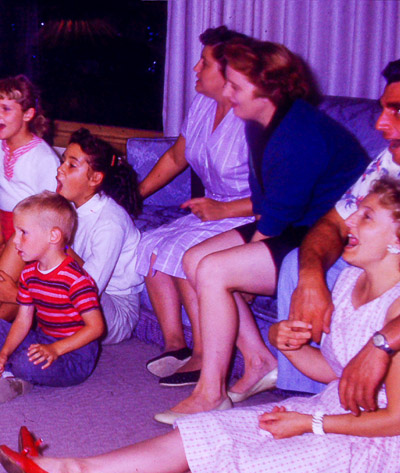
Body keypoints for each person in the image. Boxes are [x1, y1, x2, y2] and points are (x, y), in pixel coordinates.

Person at [0, 180, 400, 473]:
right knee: (207, 433)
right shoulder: (348, 281)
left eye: (366, 217)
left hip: (370, 448)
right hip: (328, 412)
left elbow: (394, 420)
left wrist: (309, 424)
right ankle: (73, 471)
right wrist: (286, 343)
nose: (348, 221)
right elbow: (335, 372)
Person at [154, 38, 369, 423]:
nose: (228, 93)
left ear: (268, 90)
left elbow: (278, 220)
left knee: (214, 269)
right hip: (293, 223)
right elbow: (264, 199)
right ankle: (258, 360)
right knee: (193, 258)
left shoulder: (300, 136)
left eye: (236, 86)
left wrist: (243, 271)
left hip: (326, 236)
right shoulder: (257, 123)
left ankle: (210, 394)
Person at [0, 128, 142, 354]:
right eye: (63, 161)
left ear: (95, 179)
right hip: (69, 286)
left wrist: (17, 293)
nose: (60, 169)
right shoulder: (68, 206)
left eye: (72, 165)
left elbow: (87, 291)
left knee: (36, 246)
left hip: (109, 312)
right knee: (26, 236)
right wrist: (4, 282)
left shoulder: (110, 222)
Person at [135, 27, 253, 384]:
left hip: (246, 212)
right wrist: (135, 195)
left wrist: (222, 210)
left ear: (230, 73)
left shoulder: (252, 115)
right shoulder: (203, 103)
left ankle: (204, 354)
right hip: (210, 207)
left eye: (204, 63)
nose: (195, 69)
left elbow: (278, 195)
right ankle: (175, 345)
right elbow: (177, 156)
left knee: (184, 251)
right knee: (150, 244)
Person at [280, 58, 400, 402]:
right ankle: (311, 395)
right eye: (383, 109)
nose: (380, 124)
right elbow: (333, 222)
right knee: (297, 263)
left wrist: (383, 342)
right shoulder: (390, 160)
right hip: (383, 259)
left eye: (397, 111)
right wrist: (310, 278)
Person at [0, 192, 105, 402]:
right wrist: (4, 352)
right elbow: (23, 320)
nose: (15, 241)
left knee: (26, 362)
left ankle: (16, 374)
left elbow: (96, 328)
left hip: (74, 353)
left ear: (53, 236)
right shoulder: (29, 273)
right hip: (44, 339)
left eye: (23, 233)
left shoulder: (76, 280)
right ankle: (11, 371)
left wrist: (56, 349)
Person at [0, 75, 60, 267]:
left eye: (6, 109)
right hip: (3, 227)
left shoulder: (44, 158)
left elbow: (50, 215)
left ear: (28, 114)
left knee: (0, 279)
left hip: (33, 231)